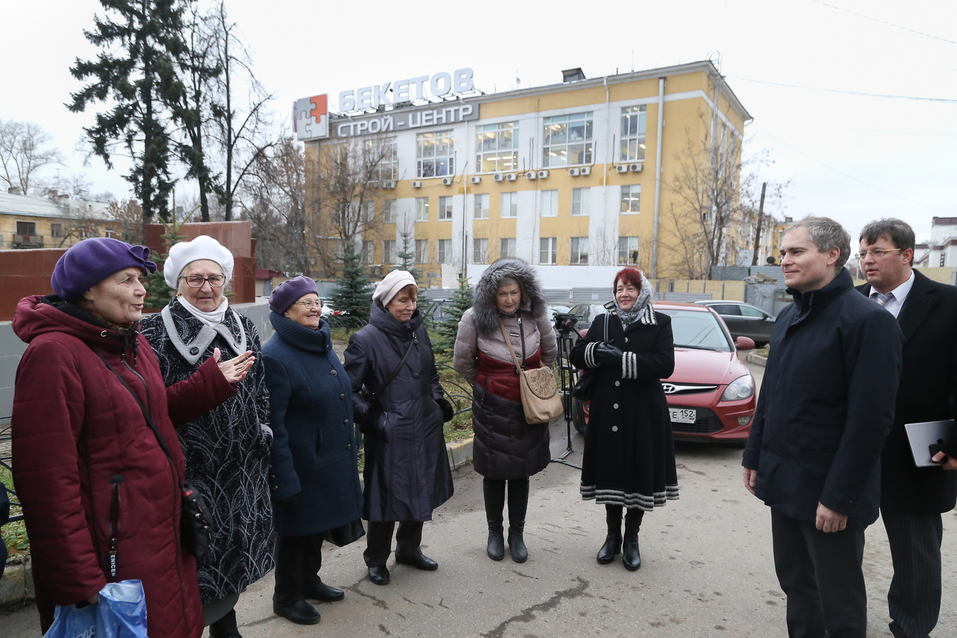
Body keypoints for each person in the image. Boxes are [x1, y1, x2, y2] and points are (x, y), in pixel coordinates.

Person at [10, 237, 249, 637]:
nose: (141, 291)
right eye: (126, 280)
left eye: (140, 279)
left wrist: (211, 383)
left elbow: (153, 415)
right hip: (113, 555)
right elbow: (46, 482)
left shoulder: (129, 342)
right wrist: (79, 578)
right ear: (89, 289)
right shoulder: (54, 354)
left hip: (161, 534)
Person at [742, 216, 903, 638]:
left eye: (797, 252)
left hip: (829, 495)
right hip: (784, 483)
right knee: (797, 586)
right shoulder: (788, 317)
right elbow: (771, 396)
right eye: (783, 253)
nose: (785, 260)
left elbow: (871, 421)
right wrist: (754, 456)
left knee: (837, 602)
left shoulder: (867, 321)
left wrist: (839, 498)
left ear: (832, 255)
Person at [140, 235, 274, 638]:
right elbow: (148, 408)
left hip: (243, 472)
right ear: (178, 283)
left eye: (214, 278)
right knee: (196, 570)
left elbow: (261, 389)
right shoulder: (153, 333)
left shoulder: (243, 326)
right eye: (194, 279)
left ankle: (227, 629)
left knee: (232, 563)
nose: (206, 287)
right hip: (192, 477)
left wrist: (263, 429)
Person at [856, 218, 957, 638]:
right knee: (837, 538)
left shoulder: (948, 303)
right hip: (853, 445)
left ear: (907, 255)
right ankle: (841, 619)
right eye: (863, 253)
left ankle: (913, 627)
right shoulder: (850, 302)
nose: (867, 260)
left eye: (878, 252)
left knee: (916, 549)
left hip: (923, 444)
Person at [262, 276, 364, 626]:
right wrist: (283, 476)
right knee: (296, 532)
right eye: (306, 303)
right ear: (285, 311)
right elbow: (273, 424)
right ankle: (286, 597)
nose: (315, 308)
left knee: (317, 527)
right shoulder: (275, 356)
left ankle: (309, 581)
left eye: (317, 301)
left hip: (328, 458)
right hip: (301, 463)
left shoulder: (319, 342)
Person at [343, 270, 454, 586]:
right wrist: (375, 420)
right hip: (390, 433)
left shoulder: (419, 332)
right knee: (385, 498)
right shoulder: (365, 339)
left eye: (413, 299)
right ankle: (377, 559)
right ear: (386, 301)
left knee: (421, 490)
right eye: (403, 300)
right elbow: (348, 390)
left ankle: (409, 550)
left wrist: (436, 405)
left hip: (425, 426)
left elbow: (431, 376)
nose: (410, 306)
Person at [569, 268, 678, 571]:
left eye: (630, 288)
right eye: (619, 289)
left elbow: (665, 364)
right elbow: (577, 355)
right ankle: (611, 537)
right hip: (607, 410)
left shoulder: (660, 322)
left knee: (638, 472)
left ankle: (631, 540)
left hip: (643, 412)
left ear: (642, 292)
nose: (624, 294)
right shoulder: (603, 321)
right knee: (611, 472)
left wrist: (622, 359)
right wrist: (596, 350)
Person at [452, 258, 557, 562]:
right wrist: (488, 385)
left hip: (529, 407)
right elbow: (462, 362)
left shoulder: (536, 315)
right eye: (503, 294)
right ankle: (494, 532)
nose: (510, 299)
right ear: (491, 294)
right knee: (494, 472)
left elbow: (549, 352)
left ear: (523, 291)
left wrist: (532, 383)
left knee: (521, 472)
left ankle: (517, 534)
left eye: (514, 292)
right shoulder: (473, 318)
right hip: (492, 407)